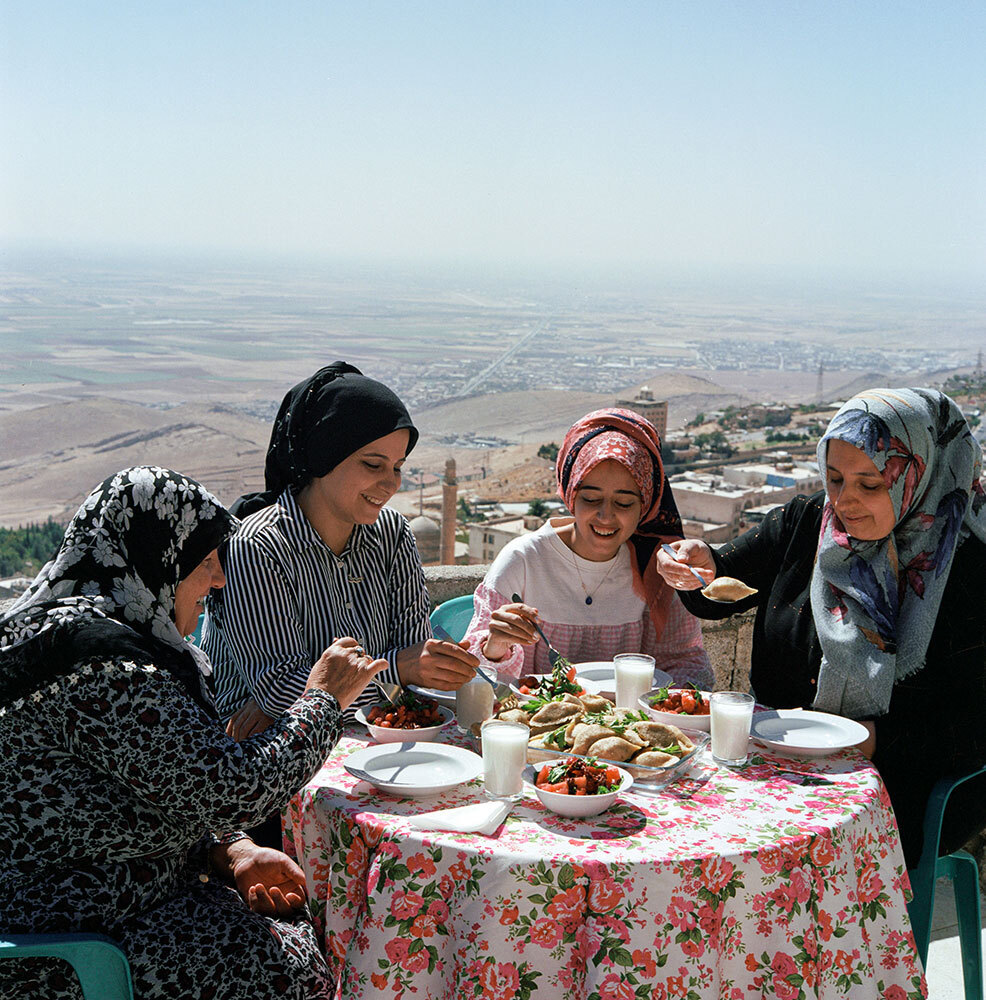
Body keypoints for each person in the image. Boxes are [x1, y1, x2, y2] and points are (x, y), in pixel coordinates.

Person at [0, 466, 385, 999]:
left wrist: (228, 852)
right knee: (293, 969)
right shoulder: (100, 667)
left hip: (108, 898)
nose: (220, 579)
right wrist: (322, 699)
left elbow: (149, 788)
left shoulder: (77, 630)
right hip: (62, 939)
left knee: (295, 934)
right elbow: (233, 789)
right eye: (204, 563)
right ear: (158, 561)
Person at [658, 388, 986, 866]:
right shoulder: (811, 521)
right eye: (834, 478)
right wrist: (697, 563)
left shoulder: (968, 570)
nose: (845, 501)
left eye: (870, 485)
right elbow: (717, 587)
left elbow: (970, 727)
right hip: (782, 761)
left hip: (905, 788)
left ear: (920, 475)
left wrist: (868, 740)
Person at [203, 362, 478, 743]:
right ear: (323, 456)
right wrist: (398, 670)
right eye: (372, 464)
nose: (390, 483)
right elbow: (279, 692)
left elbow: (416, 665)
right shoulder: (258, 546)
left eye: (398, 467)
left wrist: (407, 671)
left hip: (376, 739)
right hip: (265, 755)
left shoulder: (393, 535)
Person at [462, 408, 712, 688]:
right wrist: (495, 646)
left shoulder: (656, 568)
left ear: (646, 505)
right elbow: (476, 678)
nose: (605, 516)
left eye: (624, 503)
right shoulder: (523, 560)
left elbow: (687, 664)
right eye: (591, 499)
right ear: (570, 496)